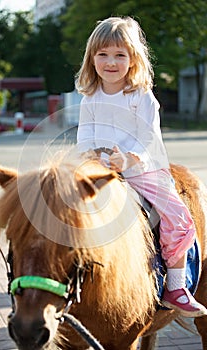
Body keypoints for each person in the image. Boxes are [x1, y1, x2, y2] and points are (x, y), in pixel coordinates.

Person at [76, 16, 207, 318]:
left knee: (178, 216)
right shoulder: (89, 97)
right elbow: (85, 136)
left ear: (133, 59)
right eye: (103, 54)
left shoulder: (140, 96)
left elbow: (148, 137)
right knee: (67, 207)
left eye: (120, 55)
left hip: (142, 170)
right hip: (101, 170)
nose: (111, 62)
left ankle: (176, 287)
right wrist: (91, 155)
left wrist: (129, 158)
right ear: (92, 58)